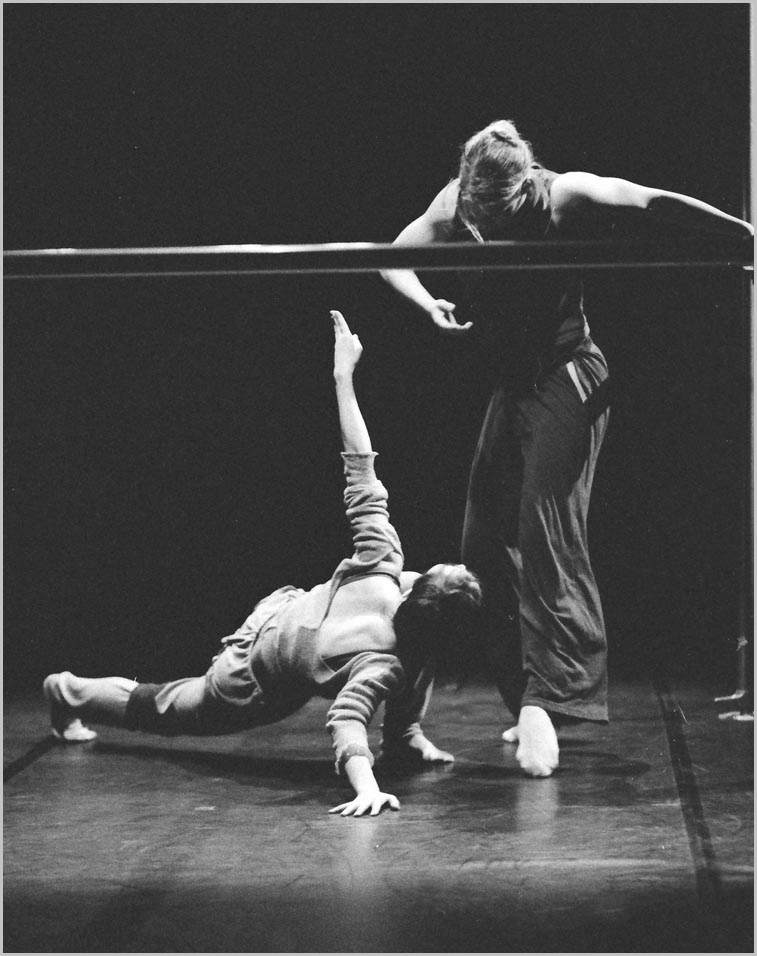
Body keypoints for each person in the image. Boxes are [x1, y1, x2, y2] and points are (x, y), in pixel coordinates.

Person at [381, 119, 753, 778]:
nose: (484, 234)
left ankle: (550, 700)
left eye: (496, 222)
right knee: (481, 545)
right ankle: (529, 698)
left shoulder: (563, 195)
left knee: (545, 528)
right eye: (476, 226)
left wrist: (743, 234)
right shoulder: (455, 202)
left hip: (568, 374)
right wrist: (426, 302)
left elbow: (649, 201)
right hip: (514, 385)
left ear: (522, 188)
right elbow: (391, 255)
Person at [43, 310, 482, 817]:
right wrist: (366, 788)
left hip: (282, 611)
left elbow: (362, 469)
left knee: (419, 657)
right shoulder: (384, 661)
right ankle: (69, 691)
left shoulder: (384, 566)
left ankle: (404, 736)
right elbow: (348, 720)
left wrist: (343, 377)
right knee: (168, 707)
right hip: (248, 678)